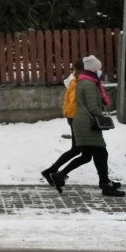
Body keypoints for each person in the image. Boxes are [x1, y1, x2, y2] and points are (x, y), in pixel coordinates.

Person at [52, 55, 125, 197]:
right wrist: (103, 117)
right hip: (87, 123)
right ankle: (105, 185)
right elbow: (93, 107)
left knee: (88, 155)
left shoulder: (84, 81)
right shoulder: (89, 84)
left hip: (84, 122)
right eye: (98, 69)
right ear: (93, 69)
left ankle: (60, 175)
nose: (100, 71)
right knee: (101, 153)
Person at [41, 58, 84, 191]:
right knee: (79, 150)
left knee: (77, 150)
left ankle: (52, 171)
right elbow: (76, 102)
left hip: (75, 118)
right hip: (77, 118)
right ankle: (54, 172)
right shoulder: (75, 82)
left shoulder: (75, 81)